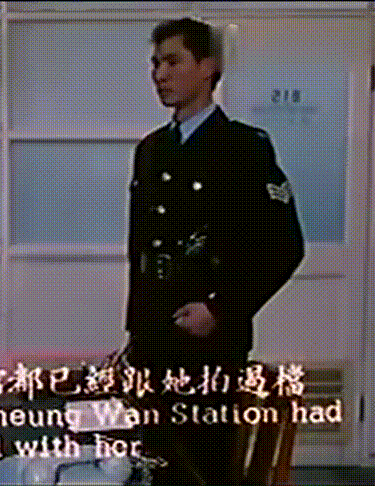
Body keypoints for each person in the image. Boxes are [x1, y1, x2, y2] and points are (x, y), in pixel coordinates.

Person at [124, 18, 305, 483]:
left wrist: (220, 309)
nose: (160, 75)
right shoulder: (151, 149)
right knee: (150, 467)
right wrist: (135, 333)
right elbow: (142, 253)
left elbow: (284, 247)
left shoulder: (243, 147)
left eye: (172, 62)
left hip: (210, 347)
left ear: (207, 67)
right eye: (155, 64)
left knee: (202, 470)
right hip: (153, 343)